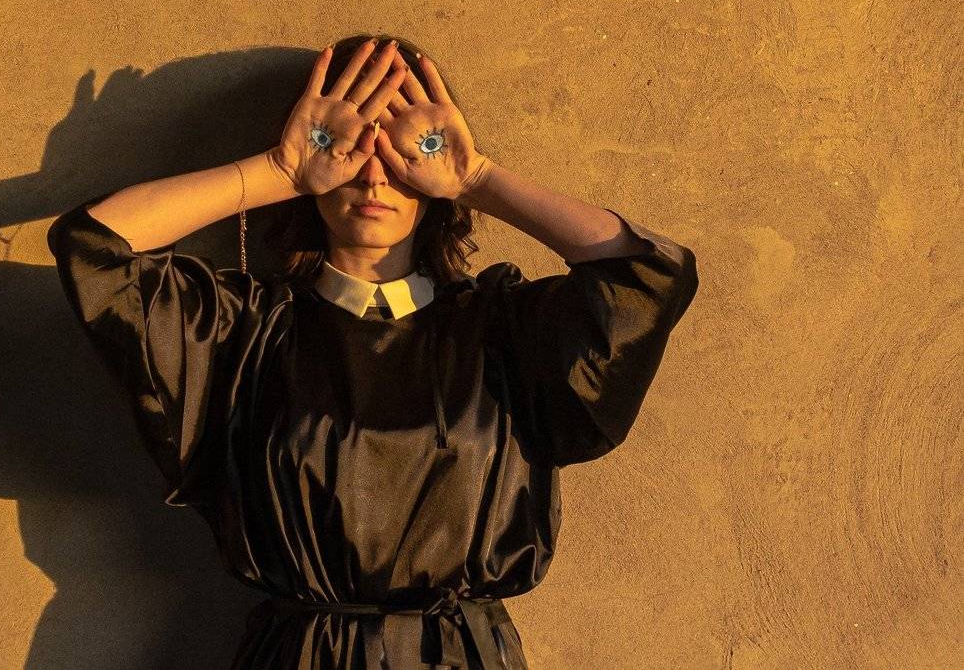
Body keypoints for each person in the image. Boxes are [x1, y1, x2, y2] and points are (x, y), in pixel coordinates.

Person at [47, 34, 700, 669]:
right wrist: (279, 169)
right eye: (350, 144)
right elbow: (95, 246)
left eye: (405, 148)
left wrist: (475, 176)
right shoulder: (240, 332)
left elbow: (647, 274)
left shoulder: (503, 329)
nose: (375, 173)